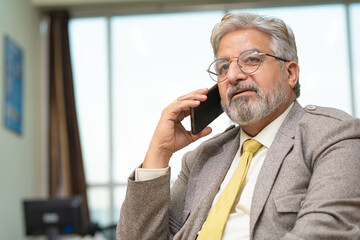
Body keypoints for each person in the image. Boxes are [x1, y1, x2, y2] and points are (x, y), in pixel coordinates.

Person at [117, 12, 360, 240]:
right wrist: (159, 151)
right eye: (223, 67)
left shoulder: (334, 136)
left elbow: (325, 232)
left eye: (251, 60)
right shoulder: (202, 158)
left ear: (290, 73)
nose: (233, 75)